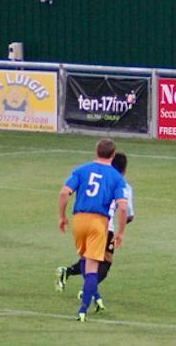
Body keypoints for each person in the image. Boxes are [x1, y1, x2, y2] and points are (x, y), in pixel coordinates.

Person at [58, 138, 129, 322]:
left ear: (96, 152)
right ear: (113, 155)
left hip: (79, 219)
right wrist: (120, 232)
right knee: (92, 267)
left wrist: (62, 216)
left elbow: (64, 193)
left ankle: (97, 297)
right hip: (99, 222)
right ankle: (83, 309)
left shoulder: (82, 170)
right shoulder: (116, 177)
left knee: (84, 259)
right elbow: (122, 208)